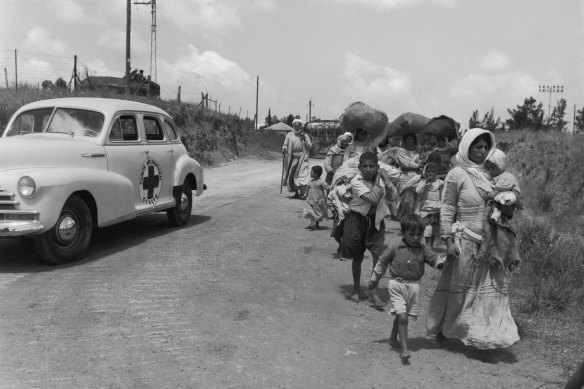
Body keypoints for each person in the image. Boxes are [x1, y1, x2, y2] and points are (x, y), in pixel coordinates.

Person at [426, 128, 520, 352]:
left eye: (486, 147)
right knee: (458, 291)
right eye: (478, 146)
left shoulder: (494, 176)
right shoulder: (457, 174)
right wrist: (447, 239)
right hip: (464, 240)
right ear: (467, 147)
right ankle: (446, 329)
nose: (483, 151)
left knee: (489, 292)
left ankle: (485, 338)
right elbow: (447, 207)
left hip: (490, 243)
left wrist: (508, 206)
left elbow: (505, 210)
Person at [369, 214, 445, 364]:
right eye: (411, 234)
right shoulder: (395, 246)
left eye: (419, 234)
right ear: (403, 233)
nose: (416, 237)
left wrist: (444, 261)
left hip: (414, 287)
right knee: (403, 317)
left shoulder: (423, 249)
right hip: (396, 285)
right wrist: (373, 281)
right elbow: (382, 263)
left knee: (401, 314)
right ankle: (404, 350)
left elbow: (435, 260)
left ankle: (392, 338)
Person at [341, 152, 397, 303]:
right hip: (357, 220)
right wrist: (380, 180)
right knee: (357, 257)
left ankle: (373, 289)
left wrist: (387, 181)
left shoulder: (381, 181)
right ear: (359, 167)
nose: (368, 169)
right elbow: (373, 199)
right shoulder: (356, 181)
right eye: (364, 166)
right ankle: (356, 289)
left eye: (371, 166)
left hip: (376, 222)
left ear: (377, 167)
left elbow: (392, 198)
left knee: (379, 257)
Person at [478, 149, 522, 272]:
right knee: (490, 231)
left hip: (503, 209)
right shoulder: (495, 177)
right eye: (488, 169)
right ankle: (494, 255)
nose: (490, 171)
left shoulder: (507, 177)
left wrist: (491, 193)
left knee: (503, 234)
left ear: (500, 166)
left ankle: (510, 257)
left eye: (492, 168)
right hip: (495, 209)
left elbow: (499, 189)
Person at [415, 163, 444, 249]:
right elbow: (418, 191)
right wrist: (426, 182)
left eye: (433, 172)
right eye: (429, 172)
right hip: (425, 209)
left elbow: (442, 196)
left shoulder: (440, 183)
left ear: (436, 173)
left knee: (434, 228)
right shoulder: (423, 183)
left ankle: (431, 245)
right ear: (426, 173)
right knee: (427, 228)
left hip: (436, 209)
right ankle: (428, 245)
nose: (430, 174)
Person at [282, 119, 312, 199]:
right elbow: (285, 144)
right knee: (292, 175)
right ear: (293, 126)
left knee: (302, 176)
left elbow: (309, 146)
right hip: (292, 158)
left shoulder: (305, 135)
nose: (296, 127)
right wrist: (284, 148)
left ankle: (302, 193)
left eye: (298, 126)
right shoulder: (290, 135)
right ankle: (296, 192)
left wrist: (305, 140)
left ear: (301, 127)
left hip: (302, 158)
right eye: (295, 126)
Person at [394, 133, 422, 221]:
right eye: (408, 139)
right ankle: (404, 221)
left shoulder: (418, 151)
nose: (410, 140)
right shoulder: (400, 151)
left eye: (412, 139)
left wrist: (420, 162)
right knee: (407, 201)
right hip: (406, 179)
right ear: (405, 140)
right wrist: (418, 165)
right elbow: (405, 163)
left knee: (417, 202)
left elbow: (423, 161)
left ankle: (414, 222)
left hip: (418, 178)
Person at [327, 177, 352, 258]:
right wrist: (333, 210)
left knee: (346, 233)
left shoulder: (354, 187)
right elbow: (329, 199)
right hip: (338, 213)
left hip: (349, 213)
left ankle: (343, 252)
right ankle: (341, 244)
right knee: (336, 233)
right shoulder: (336, 187)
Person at [303, 165, 330, 230]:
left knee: (317, 211)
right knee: (311, 211)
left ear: (316, 174)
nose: (310, 173)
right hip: (310, 200)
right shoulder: (310, 181)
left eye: (311, 172)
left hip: (318, 200)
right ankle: (312, 224)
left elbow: (327, 187)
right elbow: (307, 189)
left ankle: (317, 224)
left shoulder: (321, 181)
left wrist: (328, 195)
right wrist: (305, 194)